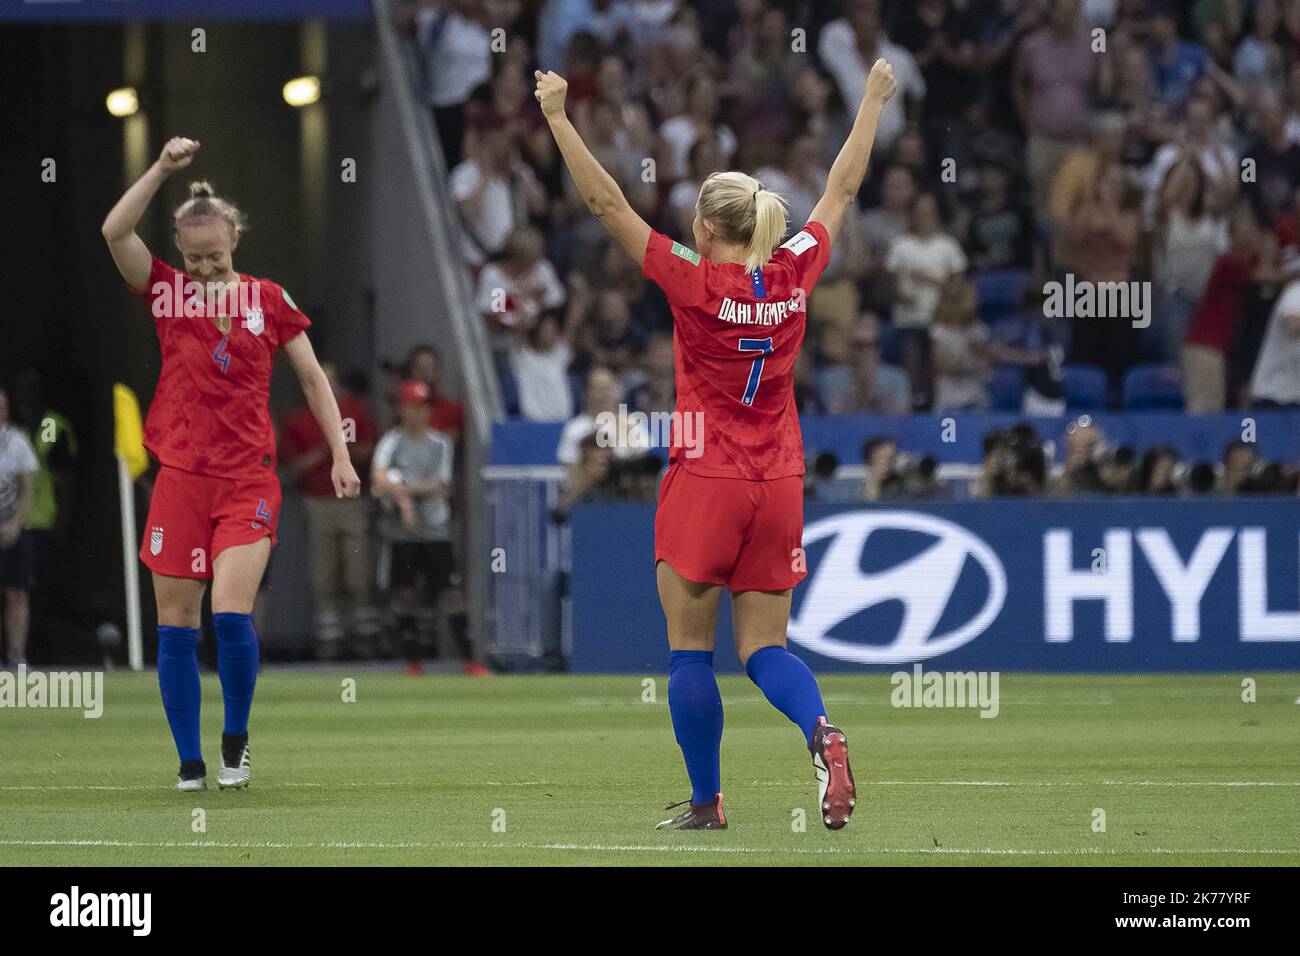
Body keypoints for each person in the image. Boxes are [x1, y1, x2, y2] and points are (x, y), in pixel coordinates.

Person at [533, 54, 899, 831]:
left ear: (705, 228)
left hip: (705, 474)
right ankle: (821, 731)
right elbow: (841, 189)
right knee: (766, 649)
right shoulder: (794, 274)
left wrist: (561, 117)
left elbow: (604, 203)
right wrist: (869, 99)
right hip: (780, 479)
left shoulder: (693, 279)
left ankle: (707, 803)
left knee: (690, 652)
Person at [101, 137, 361, 791]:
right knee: (176, 626)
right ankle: (189, 762)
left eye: (215, 257)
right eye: (194, 260)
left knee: (232, 613)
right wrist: (161, 167)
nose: (206, 270)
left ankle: (236, 743)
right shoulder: (167, 294)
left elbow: (311, 379)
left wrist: (340, 452)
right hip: (181, 479)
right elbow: (114, 230)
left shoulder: (268, 300)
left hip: (247, 478)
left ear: (236, 242)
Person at [371, 382, 481, 675]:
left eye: (424, 406)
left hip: (435, 530)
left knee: (451, 592)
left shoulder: (441, 442)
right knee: (405, 594)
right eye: (413, 406)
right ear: (402, 409)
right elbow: (379, 479)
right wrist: (399, 495)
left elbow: (440, 484)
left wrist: (405, 491)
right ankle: (413, 661)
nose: (419, 413)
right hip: (402, 533)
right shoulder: (391, 441)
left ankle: (470, 659)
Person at [281, 363, 380, 660]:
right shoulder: (299, 419)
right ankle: (330, 643)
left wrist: (342, 453)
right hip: (318, 502)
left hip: (351, 501)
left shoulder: (356, 410)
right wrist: (328, 450)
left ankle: (365, 640)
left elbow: (373, 451)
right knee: (323, 574)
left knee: (358, 572)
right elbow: (293, 467)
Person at [0, 385, 38, 667]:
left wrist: (15, 523)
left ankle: (16, 655)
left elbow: (28, 487)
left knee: (17, 591)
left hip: (12, 528)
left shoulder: (17, 442)